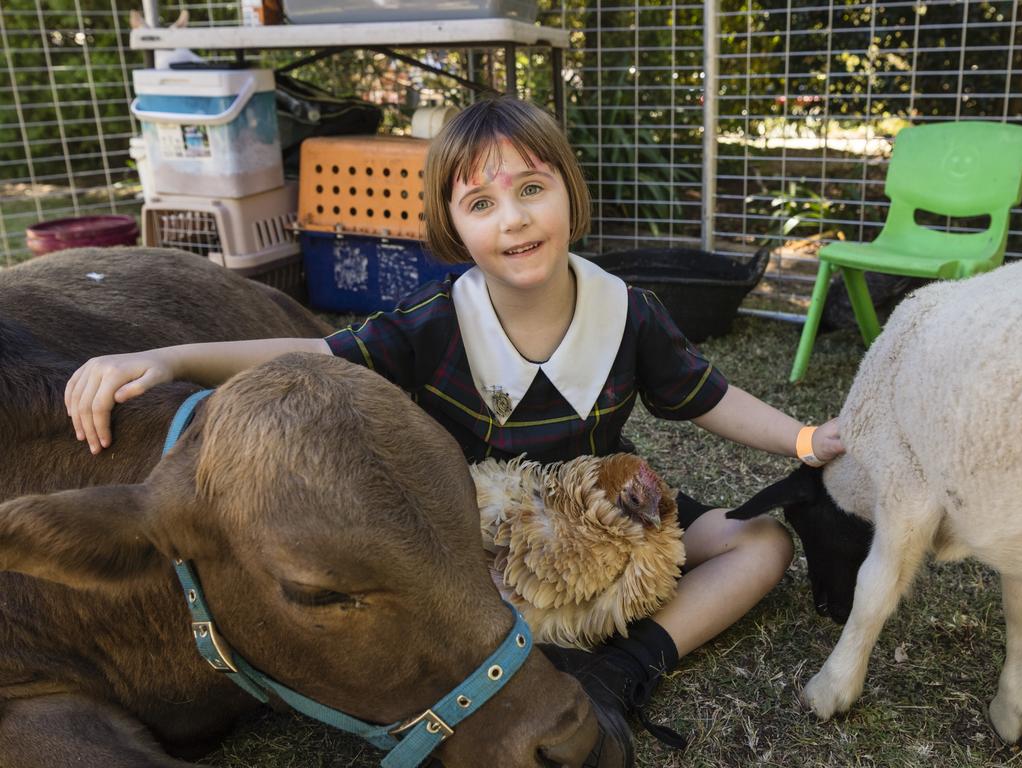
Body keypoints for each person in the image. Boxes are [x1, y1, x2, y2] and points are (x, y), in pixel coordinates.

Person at [65, 96, 843, 766]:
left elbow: (709, 396)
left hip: (596, 524)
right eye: (481, 205)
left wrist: (804, 441)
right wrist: (168, 357)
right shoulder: (433, 322)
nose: (513, 219)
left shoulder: (630, 311)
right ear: (453, 228)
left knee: (763, 545)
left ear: (568, 194)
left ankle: (627, 667)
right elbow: (309, 357)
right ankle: (533, 653)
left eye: (531, 189)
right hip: (475, 551)